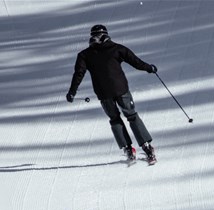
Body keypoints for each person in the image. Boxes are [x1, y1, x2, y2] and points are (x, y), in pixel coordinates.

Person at [67, 24, 158, 164]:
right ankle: (146, 146)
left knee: (115, 119)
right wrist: (149, 68)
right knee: (131, 116)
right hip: (121, 90)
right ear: (106, 35)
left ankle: (128, 149)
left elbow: (79, 74)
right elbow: (135, 62)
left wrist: (72, 92)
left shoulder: (85, 55)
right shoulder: (116, 48)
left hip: (104, 93)